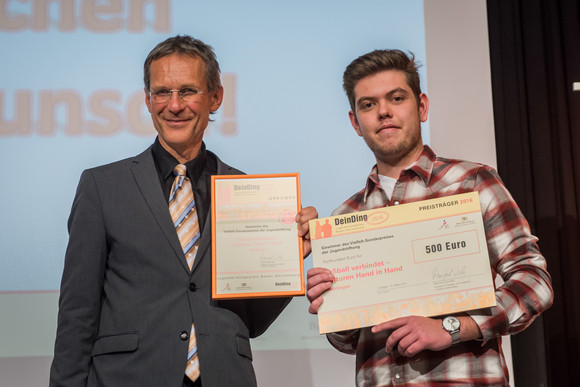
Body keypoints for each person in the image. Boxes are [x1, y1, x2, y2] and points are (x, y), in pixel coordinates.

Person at [298, 49, 553, 386]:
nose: (384, 112)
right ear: (355, 122)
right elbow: (347, 341)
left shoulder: (472, 183)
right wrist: (332, 304)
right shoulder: (345, 217)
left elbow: (535, 281)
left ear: (422, 107)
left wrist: (451, 327)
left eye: (396, 98)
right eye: (368, 104)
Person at [50, 35, 291, 387]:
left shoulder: (247, 192)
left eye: (188, 91)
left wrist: (287, 259)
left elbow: (252, 321)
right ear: (148, 100)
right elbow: (77, 313)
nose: (174, 105)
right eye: (162, 92)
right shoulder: (102, 186)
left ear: (216, 97)